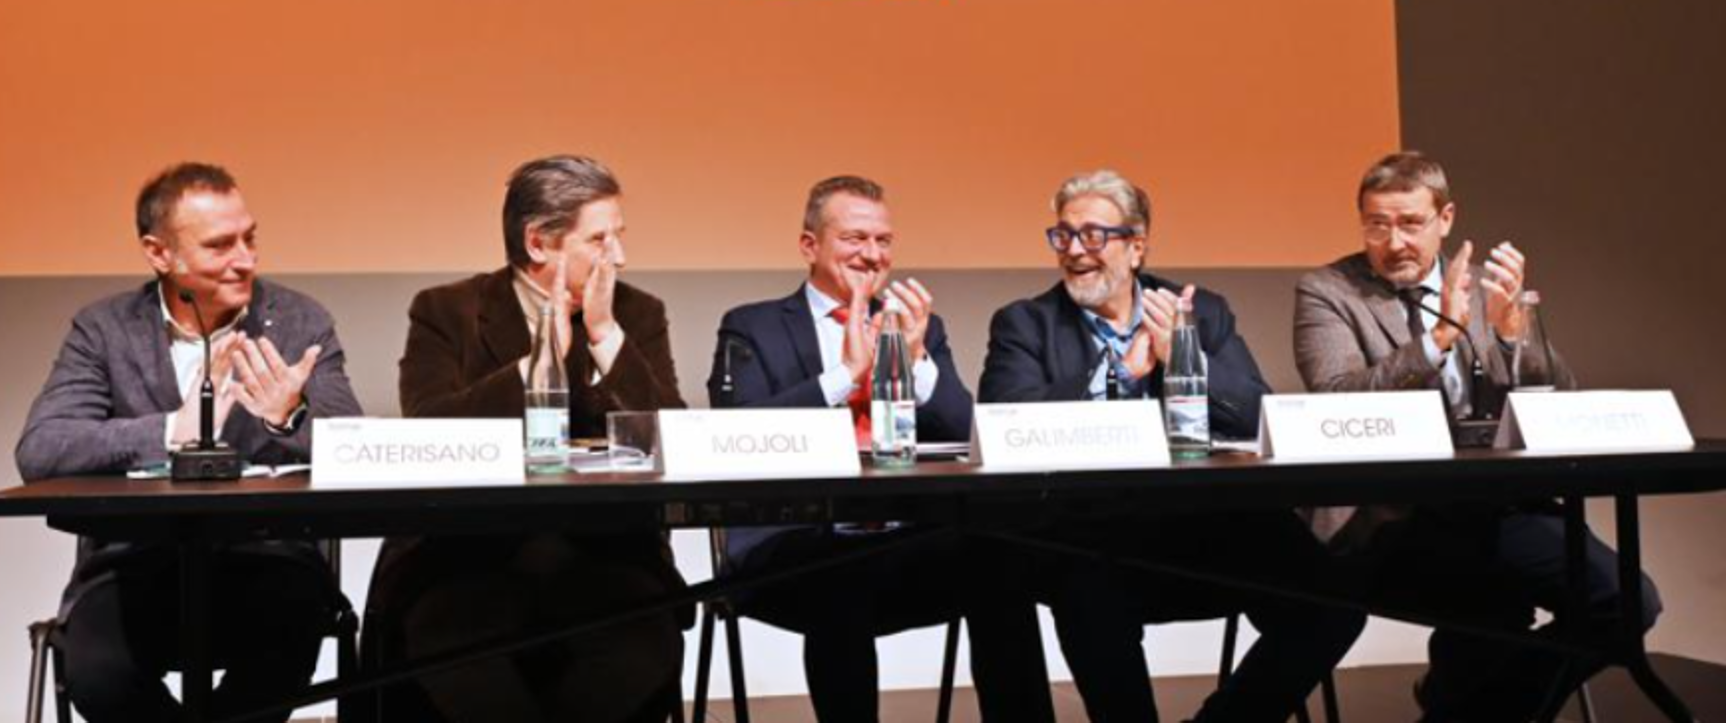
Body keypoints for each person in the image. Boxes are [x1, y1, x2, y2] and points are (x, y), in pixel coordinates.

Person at [981, 168, 1365, 723]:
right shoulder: (1025, 323)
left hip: (1206, 523)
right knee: (1084, 589)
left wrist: (1187, 360)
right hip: (1089, 531)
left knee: (1333, 606)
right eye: (1063, 235)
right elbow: (1006, 422)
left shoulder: (1201, 310)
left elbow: (1255, 412)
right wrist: (1118, 372)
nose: (1074, 250)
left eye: (1093, 235)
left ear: (1136, 246)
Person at [1294, 150, 1661, 721]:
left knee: (1628, 601)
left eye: (1410, 223)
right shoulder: (1329, 290)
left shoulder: (1488, 290)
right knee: (1490, 605)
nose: (1394, 242)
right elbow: (1337, 399)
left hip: (1500, 504)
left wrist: (1516, 337)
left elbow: (1559, 399)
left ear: (1445, 219)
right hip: (1393, 514)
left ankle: (1474, 711)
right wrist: (1436, 341)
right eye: (1377, 225)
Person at [15, 162, 363, 723]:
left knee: (288, 635)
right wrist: (171, 430)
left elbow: (351, 443)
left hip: (267, 559)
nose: (245, 259)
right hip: (134, 566)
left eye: (250, 238)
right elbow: (42, 448)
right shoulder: (104, 329)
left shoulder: (299, 321)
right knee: (100, 674)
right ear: (159, 253)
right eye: (220, 245)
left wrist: (288, 416)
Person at [707, 175, 1055, 723]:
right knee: (838, 572)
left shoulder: (921, 327)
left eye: (883, 240)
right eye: (854, 239)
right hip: (794, 543)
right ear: (809, 246)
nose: (872, 255)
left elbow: (968, 433)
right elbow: (733, 436)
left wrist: (916, 361)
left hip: (902, 534)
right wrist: (845, 375)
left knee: (1001, 560)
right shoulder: (752, 326)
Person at [364, 155, 685, 723]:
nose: (619, 257)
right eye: (600, 240)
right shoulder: (446, 311)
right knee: (449, 637)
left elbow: (670, 438)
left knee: (639, 639)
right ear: (538, 243)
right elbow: (432, 428)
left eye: (619, 236)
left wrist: (606, 338)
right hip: (470, 554)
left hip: (605, 553)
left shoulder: (637, 313)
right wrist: (536, 362)